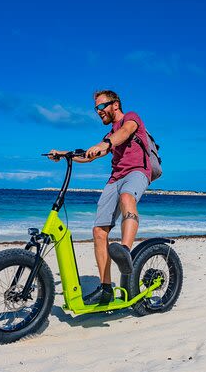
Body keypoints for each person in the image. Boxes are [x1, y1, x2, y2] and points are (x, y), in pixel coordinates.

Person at [48, 90, 152, 305]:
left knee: (126, 197)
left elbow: (125, 132)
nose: (98, 112)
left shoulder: (131, 117)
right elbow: (91, 156)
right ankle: (105, 288)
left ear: (115, 104)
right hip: (115, 177)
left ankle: (124, 250)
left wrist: (106, 144)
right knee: (99, 231)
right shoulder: (108, 135)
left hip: (137, 172)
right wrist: (65, 154)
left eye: (101, 106)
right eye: (96, 108)